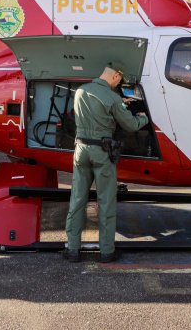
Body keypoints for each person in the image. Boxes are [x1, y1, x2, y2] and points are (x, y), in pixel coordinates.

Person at [63, 60, 148, 263]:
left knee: (77, 200)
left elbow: (94, 112)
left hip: (81, 150)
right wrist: (143, 117)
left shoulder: (81, 91)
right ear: (116, 76)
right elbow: (130, 125)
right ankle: (107, 251)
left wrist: (119, 104)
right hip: (102, 152)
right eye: (119, 82)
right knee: (106, 202)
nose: (118, 86)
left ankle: (73, 250)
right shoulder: (112, 97)